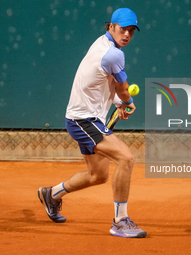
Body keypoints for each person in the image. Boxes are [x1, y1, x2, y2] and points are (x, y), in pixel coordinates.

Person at [38, 8, 146, 238]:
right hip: (83, 120)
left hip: (88, 118)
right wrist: (126, 100)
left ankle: (52, 194)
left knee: (98, 175)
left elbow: (104, 83)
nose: (126, 34)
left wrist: (118, 103)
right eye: (122, 28)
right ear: (110, 26)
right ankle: (120, 221)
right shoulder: (113, 54)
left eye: (131, 31)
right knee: (126, 159)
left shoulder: (104, 45)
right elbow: (123, 89)